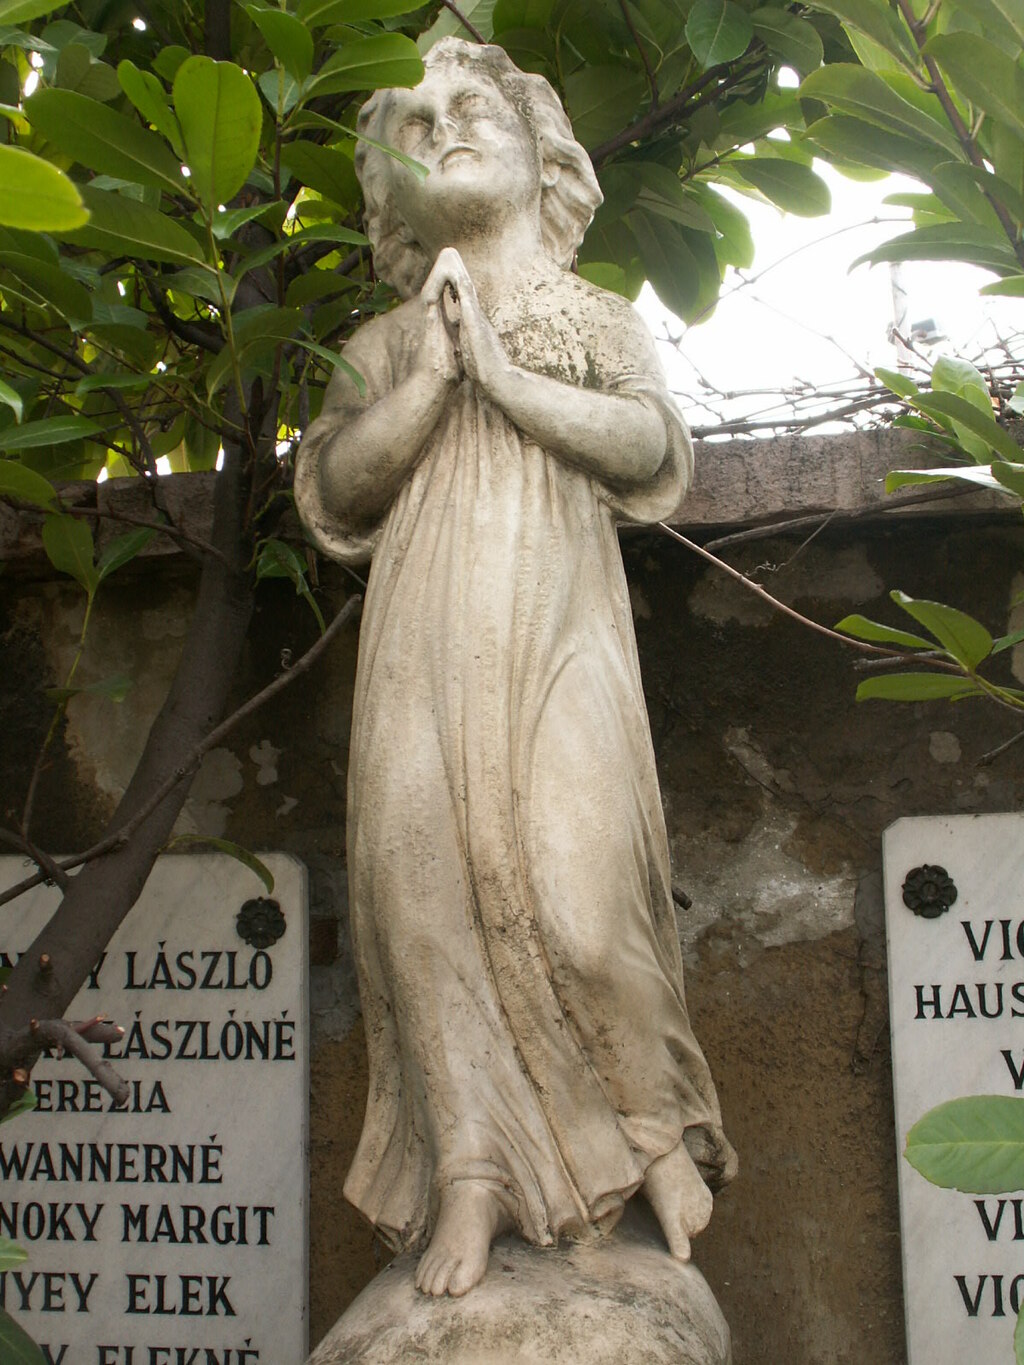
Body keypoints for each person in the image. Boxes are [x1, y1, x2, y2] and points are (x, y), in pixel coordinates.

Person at [294, 36, 736, 1300]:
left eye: (470, 107)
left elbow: (648, 447)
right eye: (414, 121)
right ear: (389, 197)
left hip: (556, 629)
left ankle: (649, 1133)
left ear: (548, 161)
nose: (442, 128)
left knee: (584, 901)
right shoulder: (384, 341)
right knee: (421, 900)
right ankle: (472, 1170)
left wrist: (504, 376)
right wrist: (435, 377)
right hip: (421, 639)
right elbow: (334, 486)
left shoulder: (590, 316)